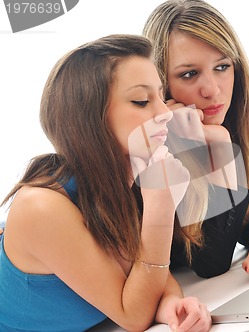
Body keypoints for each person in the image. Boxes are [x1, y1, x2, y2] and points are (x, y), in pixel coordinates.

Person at [0, 34, 211, 332]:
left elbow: (150, 274)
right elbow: (132, 315)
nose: (165, 113)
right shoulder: (41, 206)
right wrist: (160, 206)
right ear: (90, 118)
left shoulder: (122, 177)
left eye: (161, 97)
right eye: (141, 100)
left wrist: (171, 306)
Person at [143, 0, 249, 279]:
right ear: (160, 84)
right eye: (189, 74)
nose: (212, 90)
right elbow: (210, 261)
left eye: (222, 66)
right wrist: (219, 149)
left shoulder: (226, 121)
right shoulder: (149, 154)